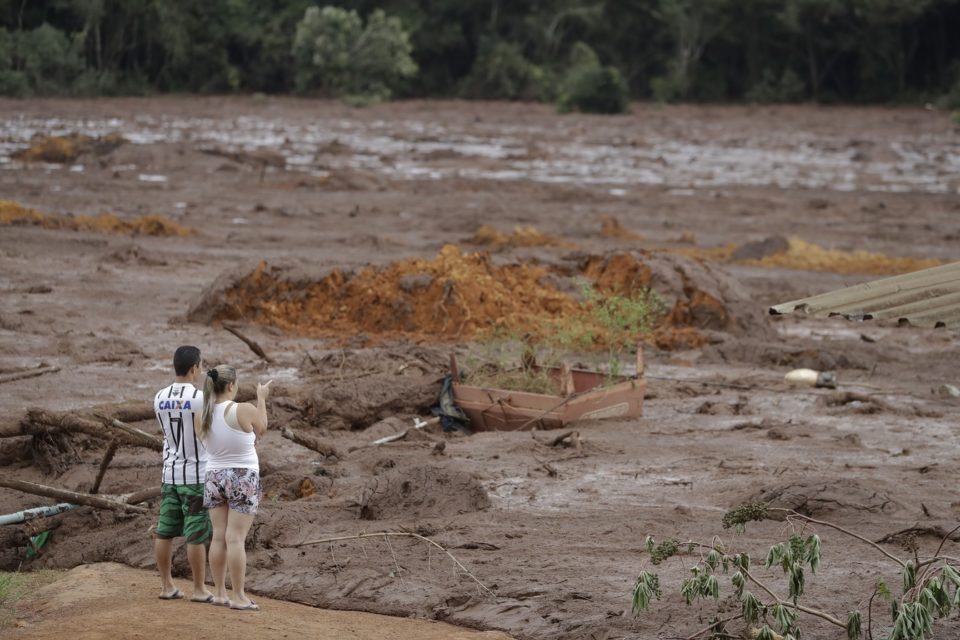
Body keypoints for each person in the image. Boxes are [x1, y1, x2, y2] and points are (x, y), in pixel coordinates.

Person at [198, 364, 272, 611]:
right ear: (231, 385)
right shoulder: (243, 409)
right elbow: (262, 427)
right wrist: (261, 399)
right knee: (236, 537)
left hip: (213, 476)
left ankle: (219, 592)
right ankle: (238, 595)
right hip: (242, 476)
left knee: (219, 535)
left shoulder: (202, 413)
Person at [153, 345, 214, 602]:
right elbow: (208, 433)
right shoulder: (201, 398)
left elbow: (166, 434)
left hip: (170, 474)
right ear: (194, 368)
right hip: (196, 477)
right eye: (200, 365)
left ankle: (167, 585)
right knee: (196, 533)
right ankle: (199, 589)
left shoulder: (158, 397)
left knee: (164, 531)